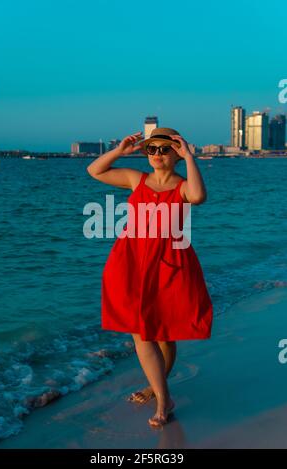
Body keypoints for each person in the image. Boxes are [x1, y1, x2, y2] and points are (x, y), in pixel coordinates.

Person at [87, 127, 213, 427]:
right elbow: (95, 170)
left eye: (163, 149)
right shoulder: (136, 180)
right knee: (141, 332)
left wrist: (190, 158)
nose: (156, 154)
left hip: (170, 262)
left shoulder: (183, 185)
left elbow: (198, 196)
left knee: (164, 335)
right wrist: (120, 151)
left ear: (176, 153)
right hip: (130, 261)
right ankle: (164, 398)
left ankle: (156, 388)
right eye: (151, 149)